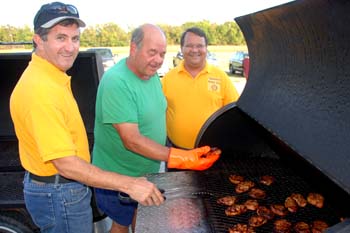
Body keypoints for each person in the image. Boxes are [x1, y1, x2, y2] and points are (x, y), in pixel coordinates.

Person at [9, 3, 164, 233]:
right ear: (38, 40)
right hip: (59, 193)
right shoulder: (40, 90)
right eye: (60, 38)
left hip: (62, 189)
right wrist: (130, 184)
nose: (70, 47)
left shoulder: (50, 76)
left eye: (75, 38)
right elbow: (66, 165)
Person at [92, 23, 220, 233]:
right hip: (119, 177)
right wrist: (181, 157)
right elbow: (131, 139)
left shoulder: (151, 76)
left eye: (162, 54)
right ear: (134, 48)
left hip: (147, 173)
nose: (158, 60)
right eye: (152, 52)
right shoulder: (116, 82)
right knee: (120, 225)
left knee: (141, 221)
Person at [162, 27, 240, 149]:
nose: (195, 50)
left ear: (206, 48)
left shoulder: (220, 77)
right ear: (181, 48)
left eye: (200, 46)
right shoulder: (168, 79)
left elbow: (235, 112)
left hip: (211, 151)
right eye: (189, 45)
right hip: (177, 152)